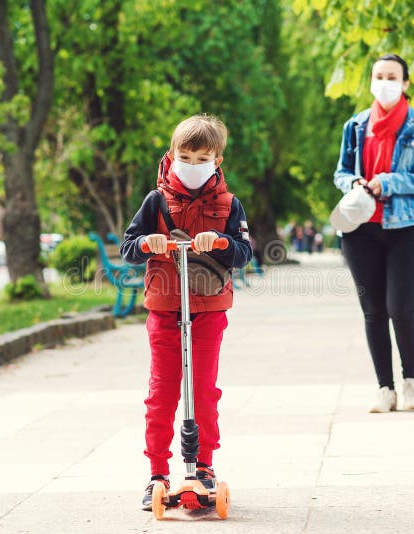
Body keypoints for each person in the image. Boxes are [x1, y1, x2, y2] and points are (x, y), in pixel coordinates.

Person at [120, 114, 252, 511]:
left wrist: (222, 243)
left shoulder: (229, 204)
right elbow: (128, 247)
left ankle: (204, 466)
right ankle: (158, 471)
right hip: (165, 309)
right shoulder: (155, 201)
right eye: (186, 156)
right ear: (171, 156)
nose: (193, 165)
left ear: (217, 160)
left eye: (202, 158)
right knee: (162, 393)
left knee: (204, 392)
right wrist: (148, 243)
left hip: (209, 310)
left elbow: (244, 253)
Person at [333, 54, 414, 413]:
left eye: (392, 76)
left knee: (400, 307)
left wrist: (388, 182)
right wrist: (356, 181)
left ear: (405, 83)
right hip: (360, 229)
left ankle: (410, 381)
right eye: (379, 76)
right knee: (373, 310)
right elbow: (340, 172)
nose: (385, 82)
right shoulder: (356, 125)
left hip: (406, 228)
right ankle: (385, 388)